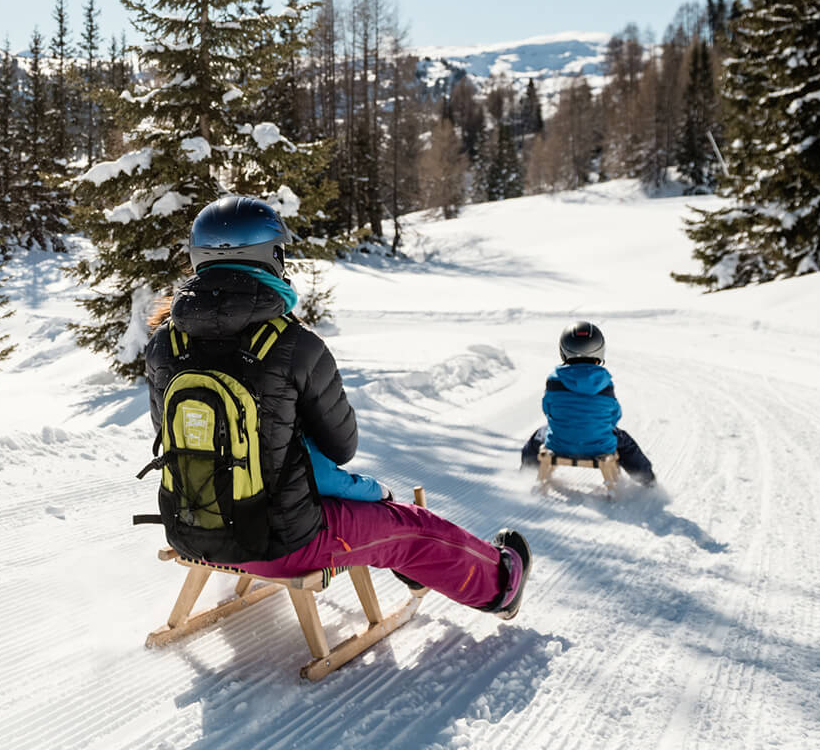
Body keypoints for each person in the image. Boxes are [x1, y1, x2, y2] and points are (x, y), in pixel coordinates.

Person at [143, 194, 530, 620]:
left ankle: (426, 569)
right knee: (414, 527)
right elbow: (342, 447)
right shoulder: (294, 345)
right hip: (286, 546)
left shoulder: (165, 342)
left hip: (192, 532)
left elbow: (167, 432)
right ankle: (500, 586)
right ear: (270, 257)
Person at [518, 322, 656, 484]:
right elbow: (614, 414)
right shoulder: (605, 383)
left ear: (563, 350)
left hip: (559, 443)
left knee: (536, 438)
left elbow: (548, 409)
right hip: (600, 445)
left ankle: (525, 476)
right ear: (600, 350)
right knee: (625, 442)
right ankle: (648, 480)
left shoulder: (554, 380)